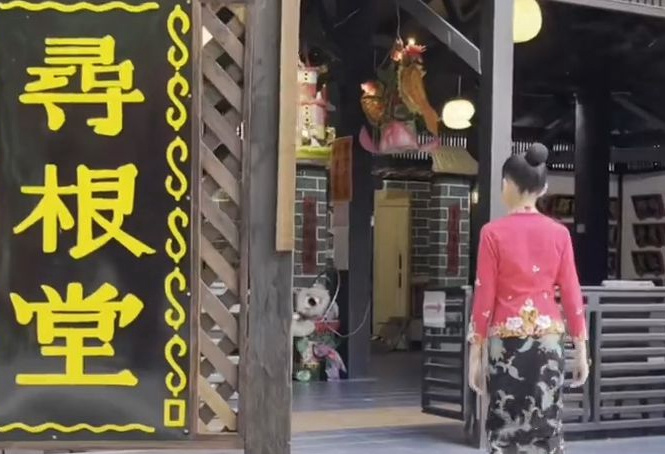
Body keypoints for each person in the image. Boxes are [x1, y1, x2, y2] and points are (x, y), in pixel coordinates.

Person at [467, 143, 589, 454]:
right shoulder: (559, 233)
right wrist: (581, 350)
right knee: (547, 423)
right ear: (543, 189)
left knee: (504, 424)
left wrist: (475, 354)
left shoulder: (492, 233)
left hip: (505, 342)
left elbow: (484, 295)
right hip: (549, 341)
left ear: (506, 185)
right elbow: (571, 293)